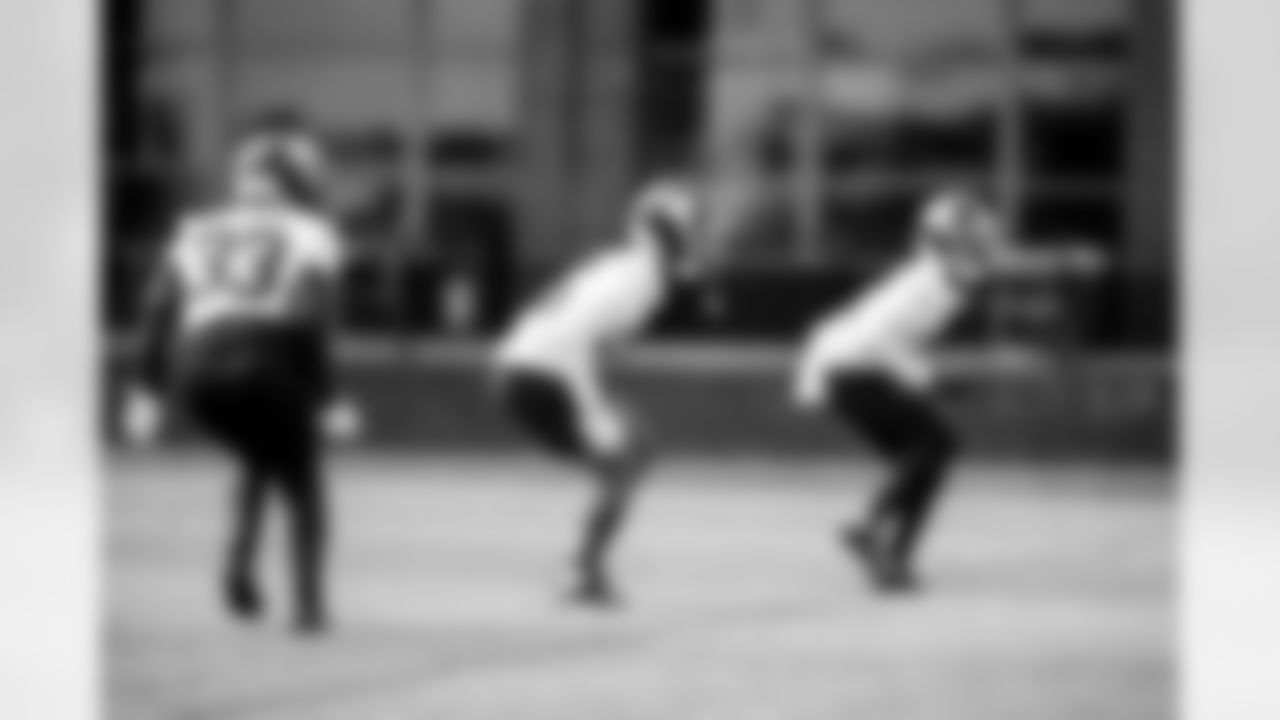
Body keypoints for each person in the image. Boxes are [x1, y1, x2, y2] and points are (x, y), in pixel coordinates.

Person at [792, 188, 1103, 593]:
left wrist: (1064, 260)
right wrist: (931, 380)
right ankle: (869, 531)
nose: (985, 249)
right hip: (851, 370)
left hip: (854, 370)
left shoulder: (946, 275)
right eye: (974, 240)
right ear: (950, 244)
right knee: (936, 446)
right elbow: (875, 337)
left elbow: (1008, 264)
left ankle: (892, 559)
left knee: (928, 455)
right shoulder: (929, 282)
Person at [121, 138, 353, 633]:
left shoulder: (197, 229)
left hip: (196, 363)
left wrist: (146, 391)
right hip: (265, 352)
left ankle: (239, 567)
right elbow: (308, 321)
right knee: (303, 478)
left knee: (260, 450)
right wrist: (329, 398)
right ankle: (309, 607)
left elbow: (159, 311)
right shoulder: (312, 232)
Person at [490, 172, 729, 606]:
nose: (695, 237)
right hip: (546, 373)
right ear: (666, 233)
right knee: (626, 459)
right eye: (688, 228)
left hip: (529, 368)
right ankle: (581, 570)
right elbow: (577, 336)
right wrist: (592, 408)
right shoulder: (639, 279)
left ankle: (584, 565)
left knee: (635, 451)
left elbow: (586, 336)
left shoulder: (627, 268)